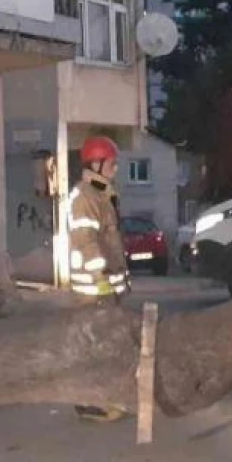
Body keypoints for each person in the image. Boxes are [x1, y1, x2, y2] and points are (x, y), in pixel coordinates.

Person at [67, 135, 130, 422]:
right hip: (93, 286)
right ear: (96, 164)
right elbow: (85, 240)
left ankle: (101, 396)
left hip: (104, 284)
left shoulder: (102, 194)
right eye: (112, 164)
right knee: (92, 343)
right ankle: (88, 401)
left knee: (105, 342)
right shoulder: (85, 197)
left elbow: (111, 240)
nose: (115, 169)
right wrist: (102, 278)